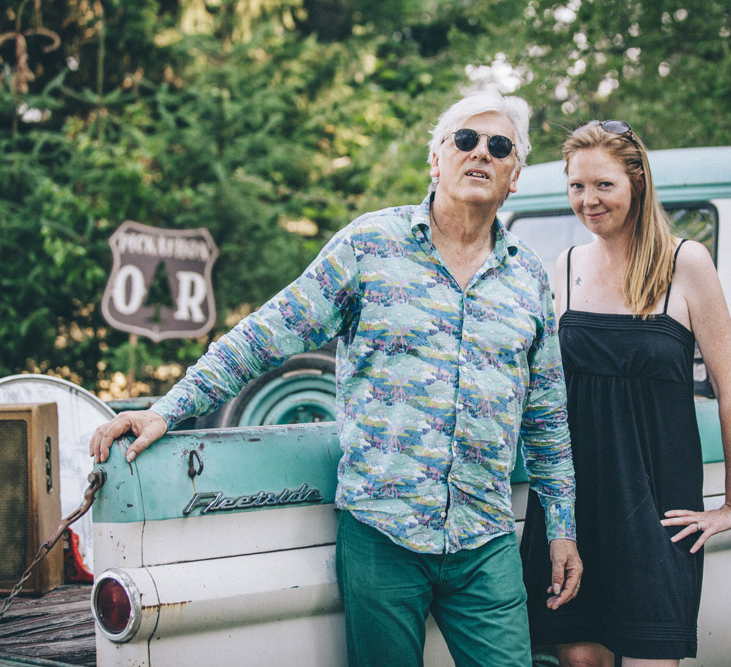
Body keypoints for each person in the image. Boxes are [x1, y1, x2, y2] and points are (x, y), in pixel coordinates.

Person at [89, 90, 583, 667]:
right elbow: (266, 334)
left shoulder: (527, 276)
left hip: (485, 537)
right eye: (465, 140)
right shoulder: (369, 245)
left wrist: (563, 527)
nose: (481, 154)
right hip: (381, 534)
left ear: (514, 176)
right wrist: (169, 408)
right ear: (436, 160)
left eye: (499, 147)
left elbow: (548, 415)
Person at [519, 121, 731, 667]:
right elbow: (545, 382)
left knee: (653, 658)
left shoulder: (685, 263)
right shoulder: (568, 266)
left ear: (637, 182)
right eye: (576, 186)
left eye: (603, 185)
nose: (587, 200)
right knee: (580, 659)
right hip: (574, 506)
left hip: (654, 506)